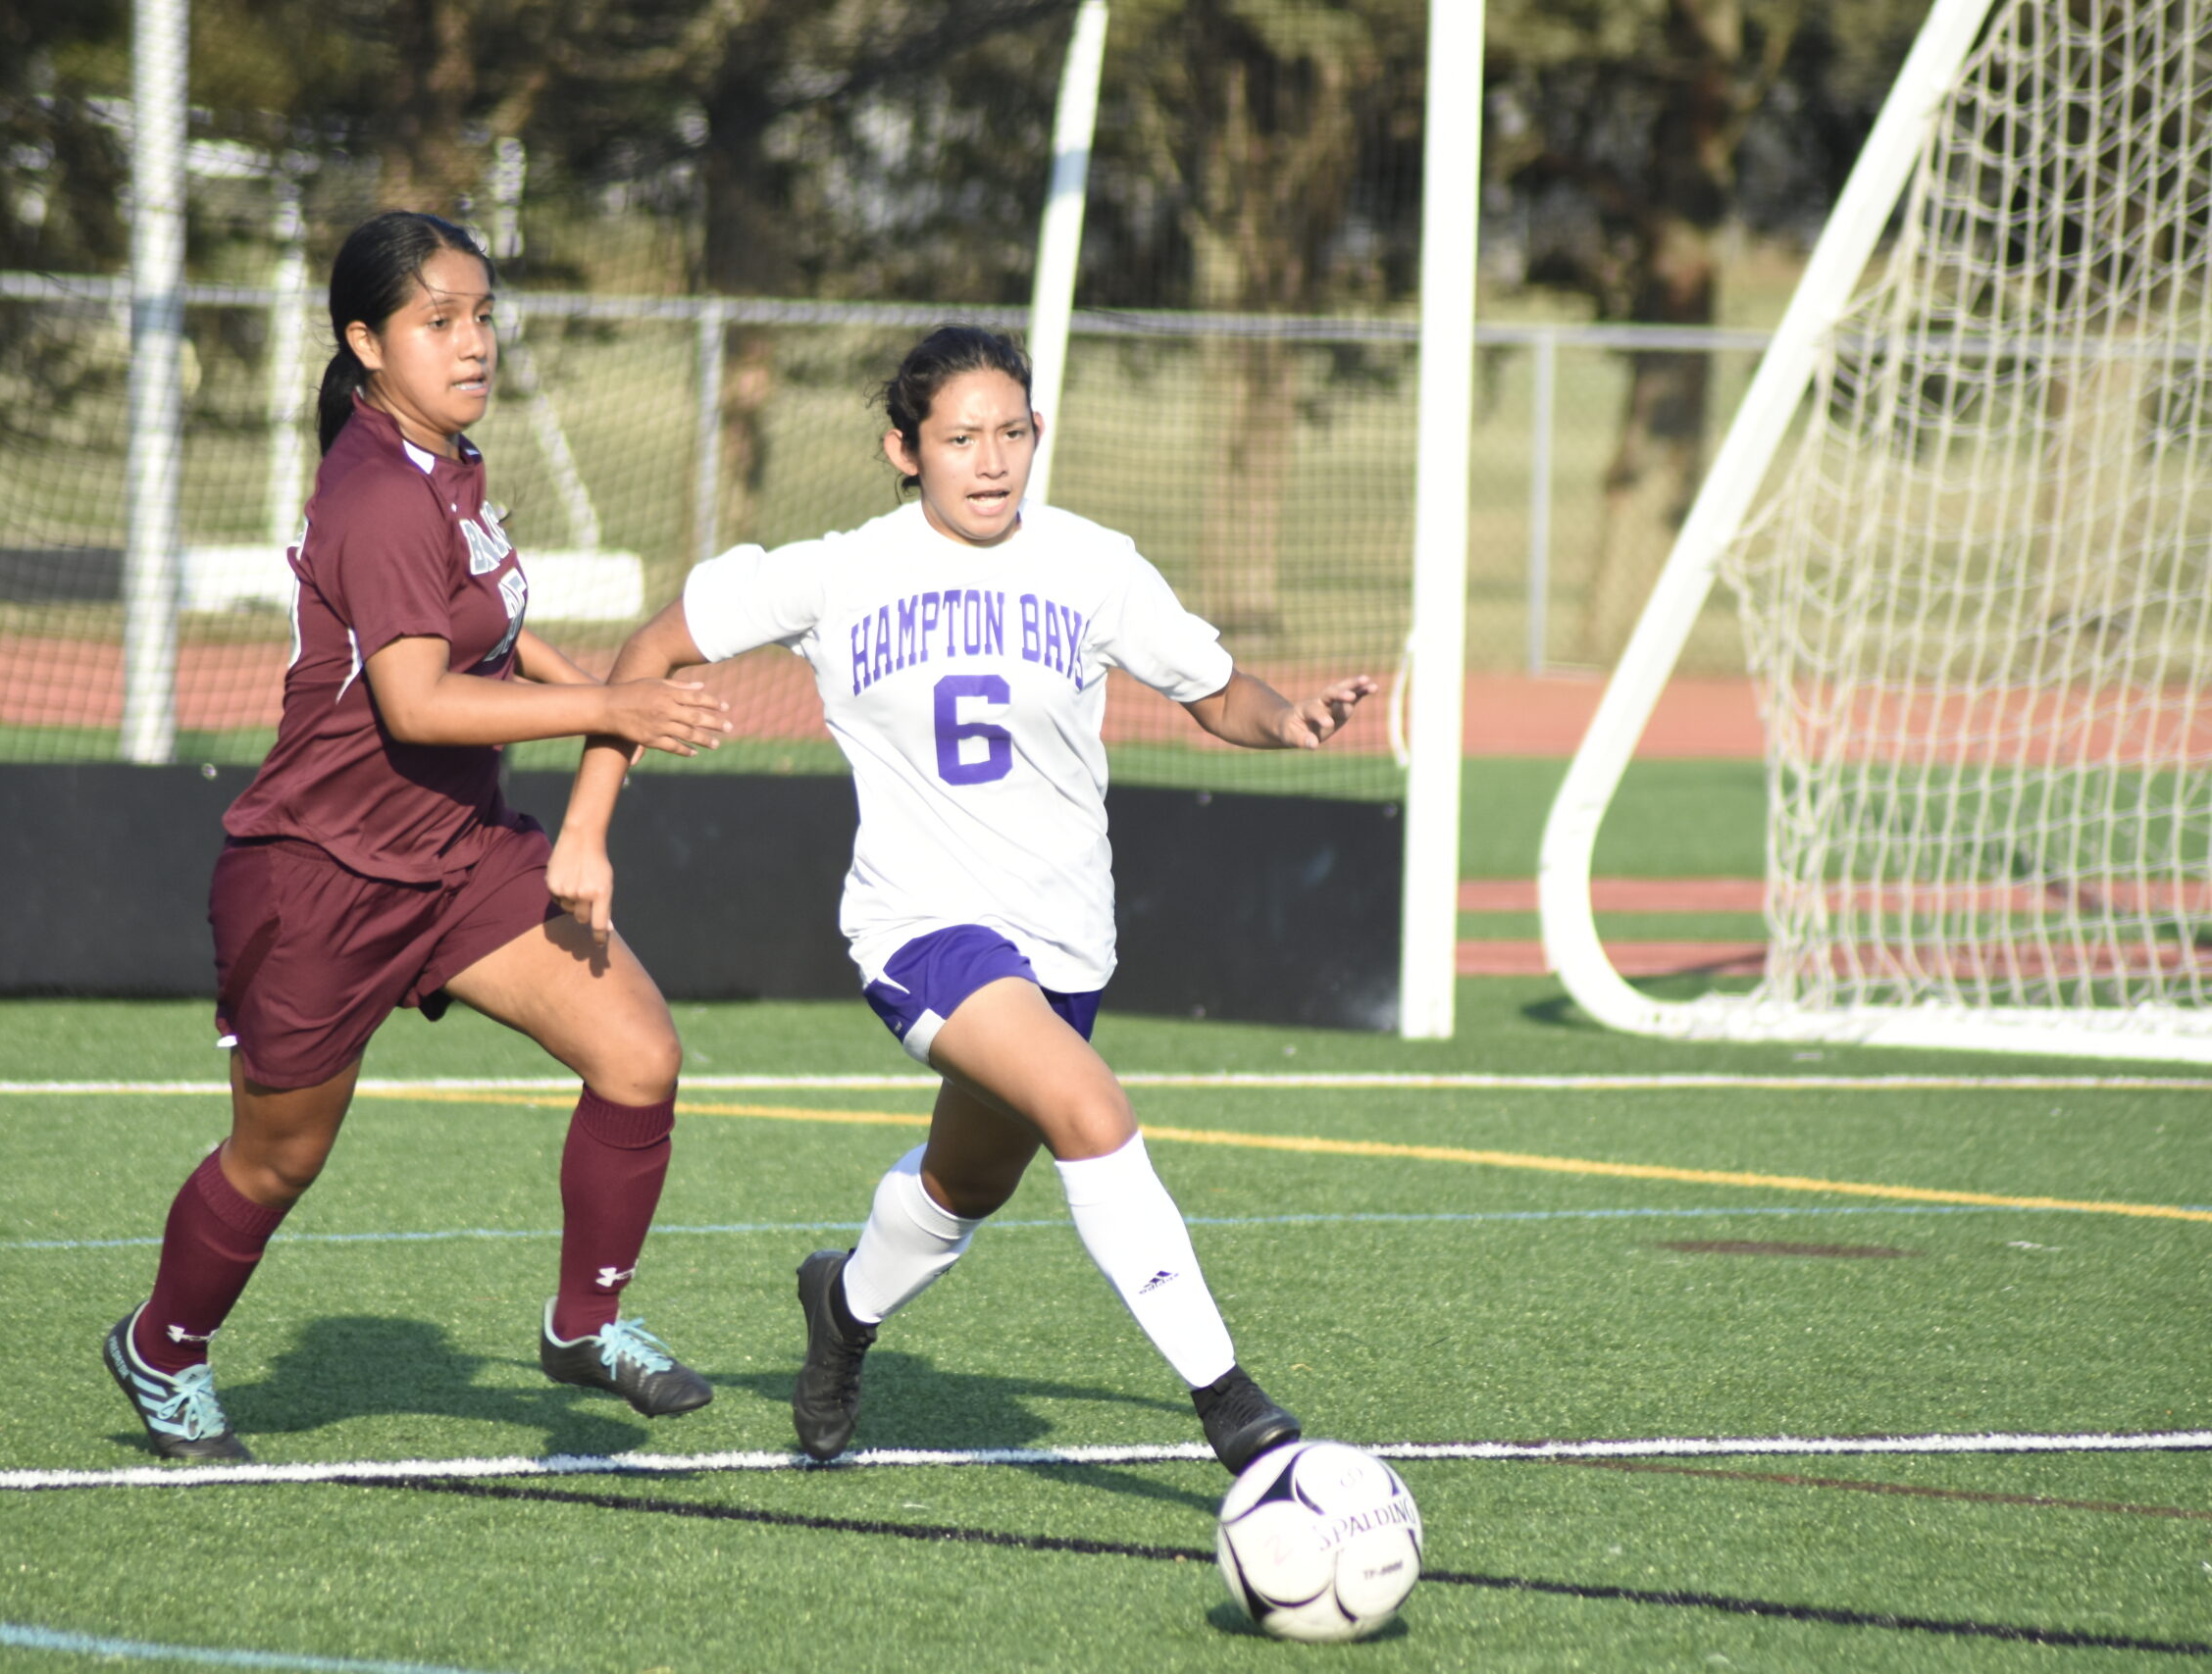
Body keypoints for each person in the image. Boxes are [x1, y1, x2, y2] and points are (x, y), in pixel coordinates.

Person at [547, 325, 1377, 1474]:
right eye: (959, 438)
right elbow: (655, 643)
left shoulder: (1093, 564)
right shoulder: (838, 571)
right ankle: (1229, 1401)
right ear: (905, 448)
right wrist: (590, 819)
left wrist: (1284, 721)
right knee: (1089, 1110)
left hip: (1064, 939)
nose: (990, 461)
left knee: (965, 1182)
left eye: (1012, 433)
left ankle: (841, 1312)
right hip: (920, 930)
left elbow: (1218, 689)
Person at [102, 212, 733, 1461]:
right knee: (277, 1160)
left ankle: (580, 1324)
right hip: (319, 880)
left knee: (639, 1056)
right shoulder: (380, 491)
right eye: (437, 320)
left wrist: (611, 694)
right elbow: (416, 701)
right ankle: (161, 1345)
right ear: (366, 342)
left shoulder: (449, 464)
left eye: (483, 314)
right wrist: (609, 705)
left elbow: (489, 637)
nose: (473, 340)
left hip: (457, 855)